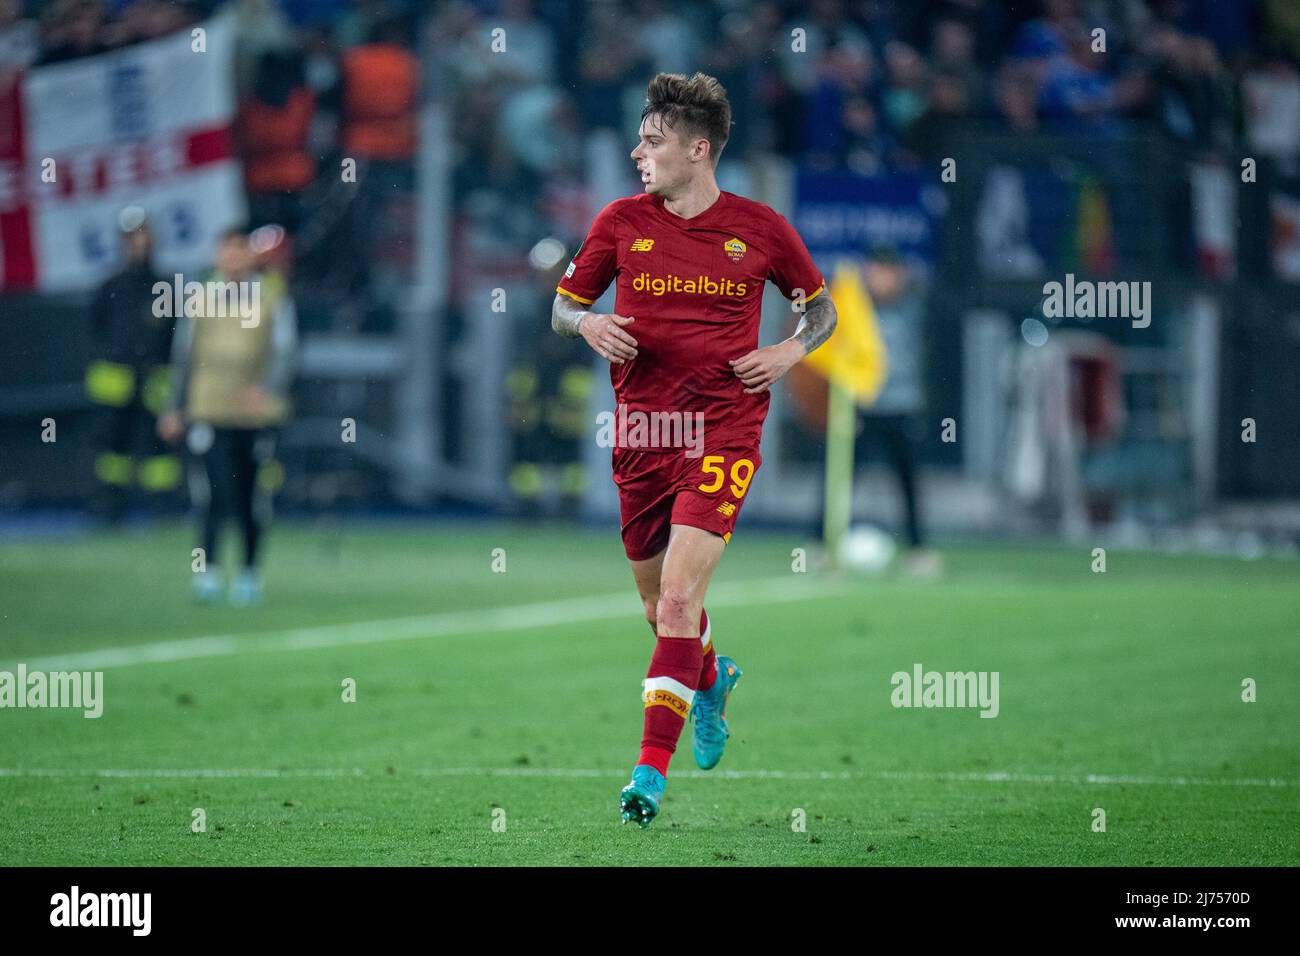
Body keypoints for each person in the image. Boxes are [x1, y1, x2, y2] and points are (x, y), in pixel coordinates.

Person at [551, 72, 838, 827]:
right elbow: (562, 305)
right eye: (641, 139)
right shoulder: (620, 221)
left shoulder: (763, 228)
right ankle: (712, 680)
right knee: (657, 609)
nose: (638, 152)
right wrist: (586, 326)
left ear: (697, 149)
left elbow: (822, 308)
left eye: (653, 141)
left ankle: (647, 775)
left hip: (725, 428)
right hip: (643, 434)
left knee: (680, 599)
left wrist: (785, 353)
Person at [158, 226, 298, 606]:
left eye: (240, 250)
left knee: (252, 496)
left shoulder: (269, 298)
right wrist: (175, 406)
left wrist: (267, 391)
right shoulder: (202, 297)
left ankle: (250, 573)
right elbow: (183, 355)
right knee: (212, 494)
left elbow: (284, 352)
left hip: (255, 415)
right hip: (210, 409)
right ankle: (209, 571)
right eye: (227, 250)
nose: (233, 258)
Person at [86, 206, 177, 523]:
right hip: (116, 381)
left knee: (159, 449)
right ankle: (109, 510)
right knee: (114, 447)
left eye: (143, 234)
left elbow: (175, 334)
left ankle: (162, 512)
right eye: (132, 236)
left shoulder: (166, 286)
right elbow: (98, 326)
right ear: (123, 242)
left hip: (156, 380)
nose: (139, 242)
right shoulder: (110, 286)